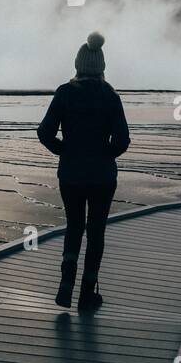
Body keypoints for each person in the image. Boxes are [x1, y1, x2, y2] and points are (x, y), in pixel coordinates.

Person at [36, 31, 131, 311]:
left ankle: (66, 284)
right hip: (101, 176)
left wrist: (64, 150)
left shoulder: (65, 93)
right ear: (101, 66)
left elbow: (44, 132)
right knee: (96, 232)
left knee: (74, 226)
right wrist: (105, 154)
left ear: (78, 64)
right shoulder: (110, 96)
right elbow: (122, 140)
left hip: (71, 174)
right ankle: (87, 294)